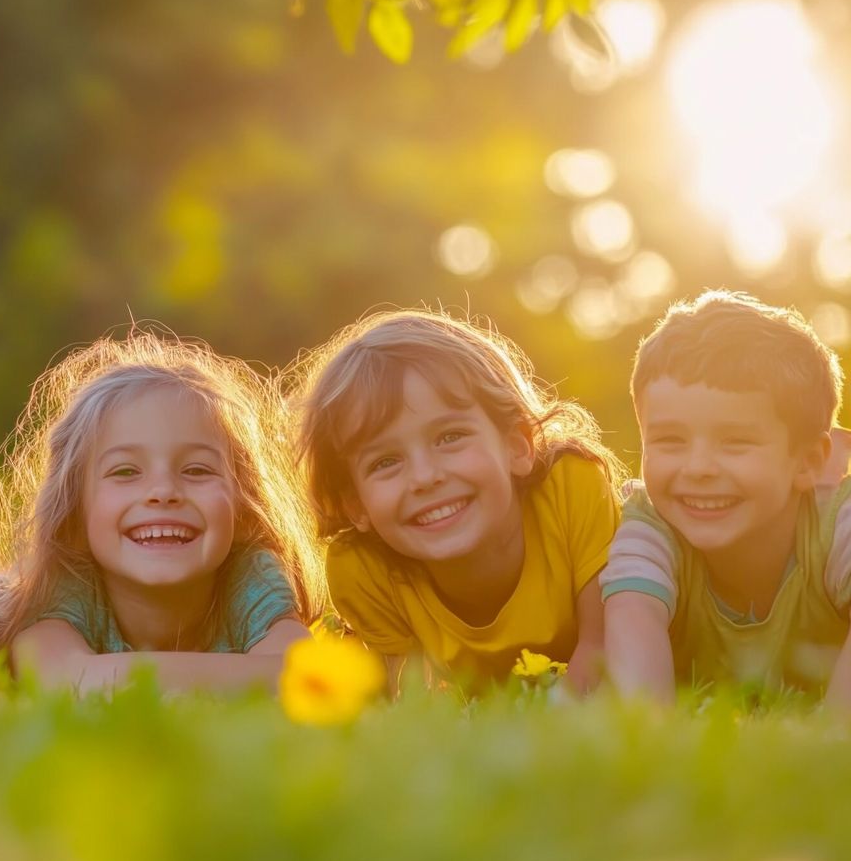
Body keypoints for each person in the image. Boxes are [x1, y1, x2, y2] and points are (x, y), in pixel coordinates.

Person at [293, 307, 623, 695]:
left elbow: (602, 651)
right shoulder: (363, 568)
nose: (425, 477)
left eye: (449, 438)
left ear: (517, 445)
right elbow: (415, 705)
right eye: (386, 461)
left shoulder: (571, 488)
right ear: (355, 506)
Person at [0, 330, 323, 694]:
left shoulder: (248, 576)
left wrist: (116, 678)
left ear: (242, 509)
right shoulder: (69, 581)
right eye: (125, 471)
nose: (163, 492)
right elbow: (60, 679)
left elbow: (302, 678)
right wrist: (245, 677)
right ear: (74, 514)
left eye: (197, 470)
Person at [601, 290, 851, 703]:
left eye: (735, 442)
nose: (698, 467)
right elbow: (633, 618)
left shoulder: (835, 519)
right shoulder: (650, 525)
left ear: (807, 461)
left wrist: (826, 743)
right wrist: (649, 742)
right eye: (669, 440)